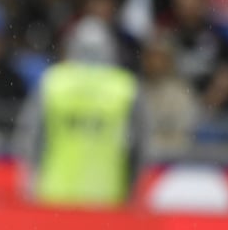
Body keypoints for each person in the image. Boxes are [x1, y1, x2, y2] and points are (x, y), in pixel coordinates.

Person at [13, 18, 148, 208]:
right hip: (107, 197)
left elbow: (31, 138)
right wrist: (133, 190)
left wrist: (30, 181)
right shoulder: (125, 88)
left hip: (56, 196)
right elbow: (139, 148)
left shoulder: (53, 82)